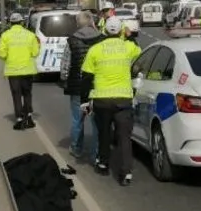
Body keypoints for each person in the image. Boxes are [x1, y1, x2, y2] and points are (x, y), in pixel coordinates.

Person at [80, 17, 141, 186]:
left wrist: (85, 101)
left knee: (104, 133)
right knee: (124, 137)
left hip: (102, 100)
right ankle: (126, 172)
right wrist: (129, 36)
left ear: (104, 31)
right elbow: (138, 50)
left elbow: (86, 77)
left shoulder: (95, 49)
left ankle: (103, 163)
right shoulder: (128, 47)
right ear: (121, 30)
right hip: (123, 100)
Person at [60, 11, 104, 160]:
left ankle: (76, 148)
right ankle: (96, 152)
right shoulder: (101, 39)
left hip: (77, 86)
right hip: (97, 86)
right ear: (92, 22)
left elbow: (65, 65)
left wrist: (64, 79)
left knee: (77, 119)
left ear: (78, 24)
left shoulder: (71, 41)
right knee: (96, 122)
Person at [0, 12, 40, 130]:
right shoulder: (30, 35)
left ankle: (19, 120)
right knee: (27, 94)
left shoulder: (5, 36)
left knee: (16, 95)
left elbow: (1, 53)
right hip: (27, 70)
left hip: (13, 71)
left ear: (10, 23)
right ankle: (29, 118)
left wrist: (9, 57)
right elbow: (35, 52)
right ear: (22, 22)